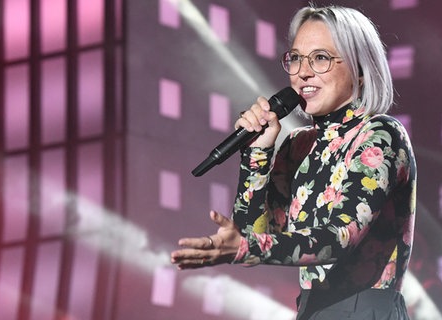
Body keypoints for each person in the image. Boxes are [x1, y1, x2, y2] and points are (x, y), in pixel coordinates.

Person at [171, 4, 416, 320]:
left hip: (365, 310)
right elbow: (251, 233)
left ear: (359, 67)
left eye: (321, 58)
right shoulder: (297, 144)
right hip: (310, 309)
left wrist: (246, 247)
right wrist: (257, 155)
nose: (303, 72)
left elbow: (341, 238)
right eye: (296, 58)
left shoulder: (380, 134)